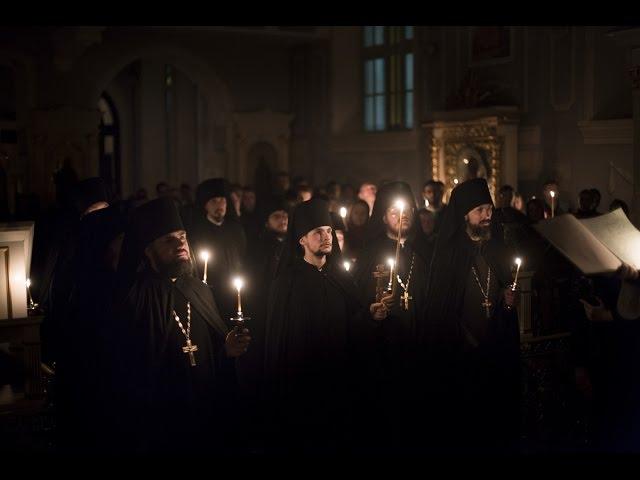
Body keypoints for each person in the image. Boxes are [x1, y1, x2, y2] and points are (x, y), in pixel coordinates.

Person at [111, 197, 250, 454]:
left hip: (206, 412)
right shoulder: (135, 298)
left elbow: (212, 351)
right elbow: (131, 366)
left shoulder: (199, 290)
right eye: (168, 240)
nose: (180, 244)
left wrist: (226, 350)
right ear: (147, 249)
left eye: (182, 237)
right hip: (162, 419)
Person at [263, 198, 387, 454]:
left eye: (329, 230)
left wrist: (369, 316)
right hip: (302, 386)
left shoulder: (338, 277)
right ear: (302, 240)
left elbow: (352, 325)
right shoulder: (286, 282)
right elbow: (277, 342)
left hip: (339, 380)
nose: (326, 236)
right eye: (317, 232)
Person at [420, 178, 520, 454]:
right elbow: (440, 307)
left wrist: (506, 300)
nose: (488, 216)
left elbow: (502, 292)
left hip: (493, 350)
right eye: (480, 211)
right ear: (465, 214)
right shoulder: (448, 254)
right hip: (459, 354)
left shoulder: (497, 248)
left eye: (489, 209)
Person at [353, 181, 432, 452]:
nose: (403, 215)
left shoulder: (425, 251)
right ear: (382, 217)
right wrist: (372, 310)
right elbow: (356, 302)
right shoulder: (370, 253)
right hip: (382, 349)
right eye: (394, 211)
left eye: (407, 209)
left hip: (419, 346)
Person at [189, 178, 247, 317]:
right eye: (213, 201)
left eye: (222, 200)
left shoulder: (235, 229)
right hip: (211, 293)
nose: (219, 205)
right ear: (205, 205)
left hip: (235, 292)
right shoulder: (197, 232)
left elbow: (243, 256)